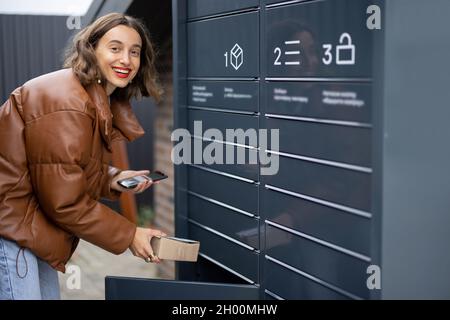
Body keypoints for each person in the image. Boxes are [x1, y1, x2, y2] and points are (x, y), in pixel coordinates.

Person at [0, 13, 166, 300]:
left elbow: (62, 170)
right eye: (115, 48)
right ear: (91, 49)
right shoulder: (66, 102)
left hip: (30, 230)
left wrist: (113, 178)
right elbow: (64, 202)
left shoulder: (92, 97)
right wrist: (130, 235)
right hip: (11, 232)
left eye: (134, 52)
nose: (126, 59)